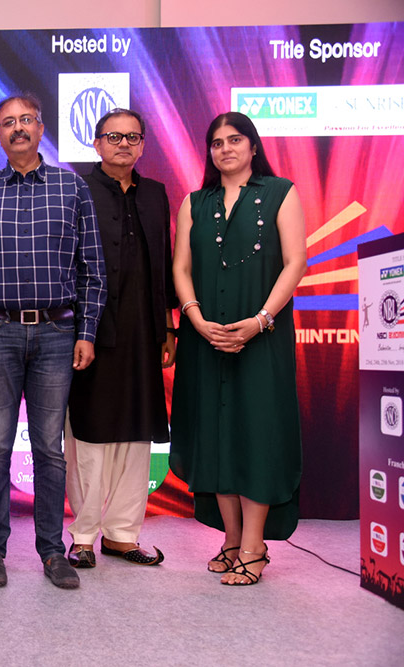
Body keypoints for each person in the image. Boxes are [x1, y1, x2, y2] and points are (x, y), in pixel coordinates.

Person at [0, 93, 106, 589]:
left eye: (26, 120)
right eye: (7, 123)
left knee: (49, 449)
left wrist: (86, 332)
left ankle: (51, 552)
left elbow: (92, 268)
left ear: (42, 129)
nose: (17, 128)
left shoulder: (72, 187)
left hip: (56, 333)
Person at [170, 111, 306, 586]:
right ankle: (231, 540)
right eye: (216, 142)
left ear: (253, 146)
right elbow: (180, 267)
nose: (225, 148)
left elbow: (295, 262)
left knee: (256, 436)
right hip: (205, 338)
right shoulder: (194, 202)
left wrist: (260, 321)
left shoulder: (281, 193)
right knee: (216, 437)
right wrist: (195, 320)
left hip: (262, 337)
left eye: (234, 139)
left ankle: (254, 547)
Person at [64, 109, 176, 569]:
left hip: (144, 331)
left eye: (132, 137)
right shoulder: (76, 190)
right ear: (96, 144)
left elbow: (164, 262)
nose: (124, 144)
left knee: (136, 435)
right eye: (114, 136)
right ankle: (84, 536)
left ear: (143, 144)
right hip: (92, 329)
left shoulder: (155, 194)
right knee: (90, 435)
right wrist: (77, 328)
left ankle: (123, 535)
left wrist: (168, 327)